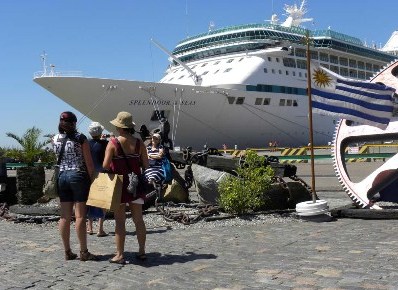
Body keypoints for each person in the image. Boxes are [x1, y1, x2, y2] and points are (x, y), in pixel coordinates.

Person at [102, 111, 149, 264]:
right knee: (139, 220)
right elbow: (146, 164)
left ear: (120, 127)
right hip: (135, 184)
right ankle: (142, 251)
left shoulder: (113, 143)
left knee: (120, 221)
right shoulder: (139, 143)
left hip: (119, 185)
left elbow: (105, 165)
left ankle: (120, 254)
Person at [52, 111, 97, 261]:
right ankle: (84, 251)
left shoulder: (55, 138)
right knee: (80, 216)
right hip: (77, 176)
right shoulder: (81, 138)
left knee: (64, 216)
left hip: (61, 177)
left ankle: (67, 251)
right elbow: (89, 163)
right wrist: (93, 180)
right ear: (74, 123)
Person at [86, 121, 108, 237]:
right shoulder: (105, 144)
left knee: (90, 201)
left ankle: (89, 227)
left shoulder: (86, 143)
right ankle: (100, 228)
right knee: (102, 202)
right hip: (102, 173)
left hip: (89, 174)